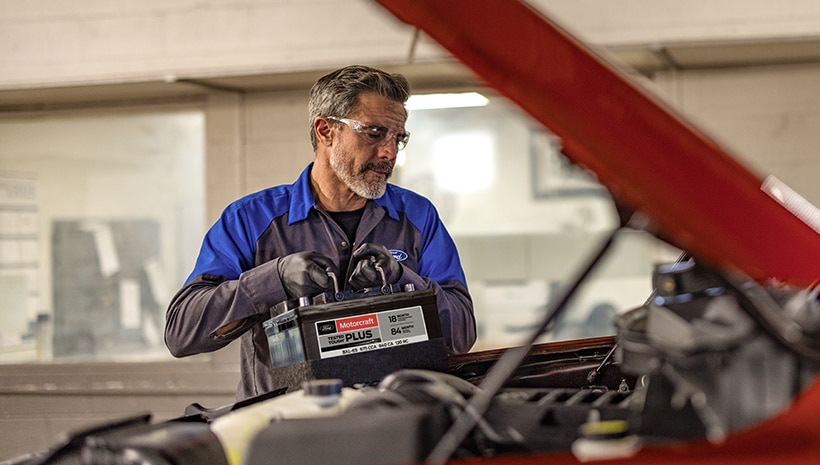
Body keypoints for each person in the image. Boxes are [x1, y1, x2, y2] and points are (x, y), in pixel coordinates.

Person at [165, 65, 477, 400]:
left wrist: (403, 279)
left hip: (394, 429)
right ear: (326, 130)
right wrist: (274, 280)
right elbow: (183, 333)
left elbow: (461, 332)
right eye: (374, 133)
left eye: (397, 138)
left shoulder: (416, 217)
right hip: (290, 433)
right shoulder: (251, 220)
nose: (389, 153)